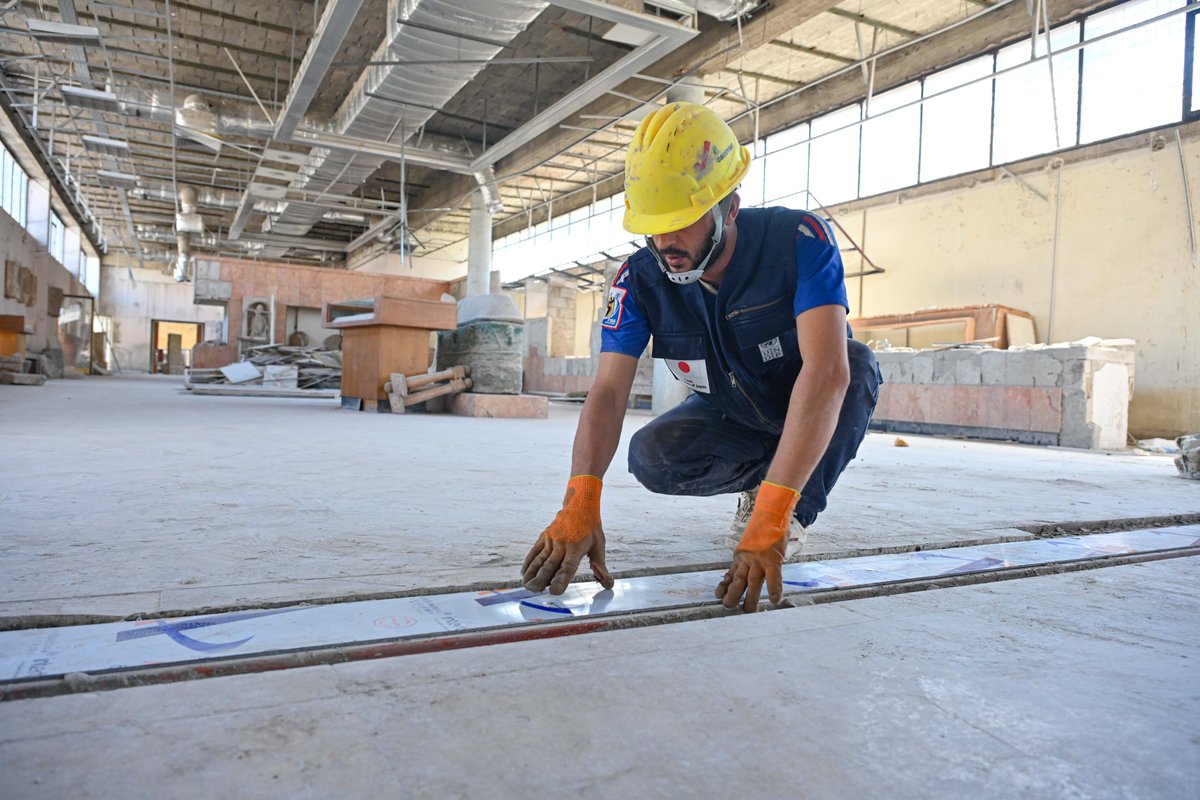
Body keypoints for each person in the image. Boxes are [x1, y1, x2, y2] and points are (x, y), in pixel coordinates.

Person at [520, 102, 881, 612]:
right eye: (652, 225)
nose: (666, 242)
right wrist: (581, 501)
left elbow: (826, 372)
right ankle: (768, 478)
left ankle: (789, 506)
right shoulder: (639, 279)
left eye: (682, 222)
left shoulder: (799, 241)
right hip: (731, 413)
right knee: (652, 457)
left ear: (728, 208)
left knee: (856, 363)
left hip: (806, 403)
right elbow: (606, 390)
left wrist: (773, 515)